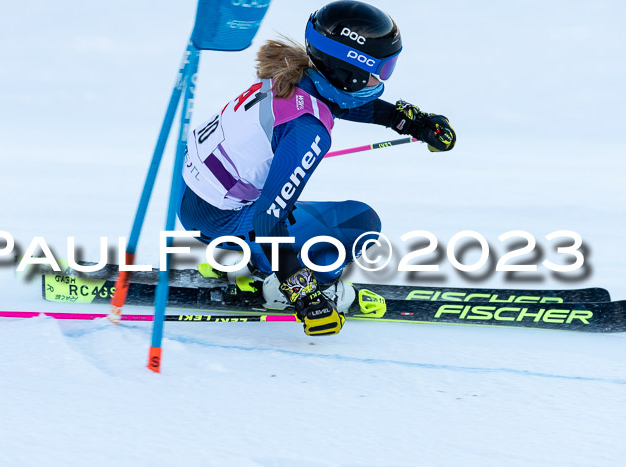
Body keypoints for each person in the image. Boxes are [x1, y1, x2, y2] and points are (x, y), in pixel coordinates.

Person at [179, 0, 456, 336]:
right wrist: (304, 295)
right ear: (349, 73)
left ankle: (241, 255)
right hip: (221, 218)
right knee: (360, 223)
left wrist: (406, 121)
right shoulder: (307, 131)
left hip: (190, 196)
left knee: (294, 215)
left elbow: (336, 102)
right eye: (379, 71)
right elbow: (270, 219)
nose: (381, 79)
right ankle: (275, 282)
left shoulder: (293, 76)